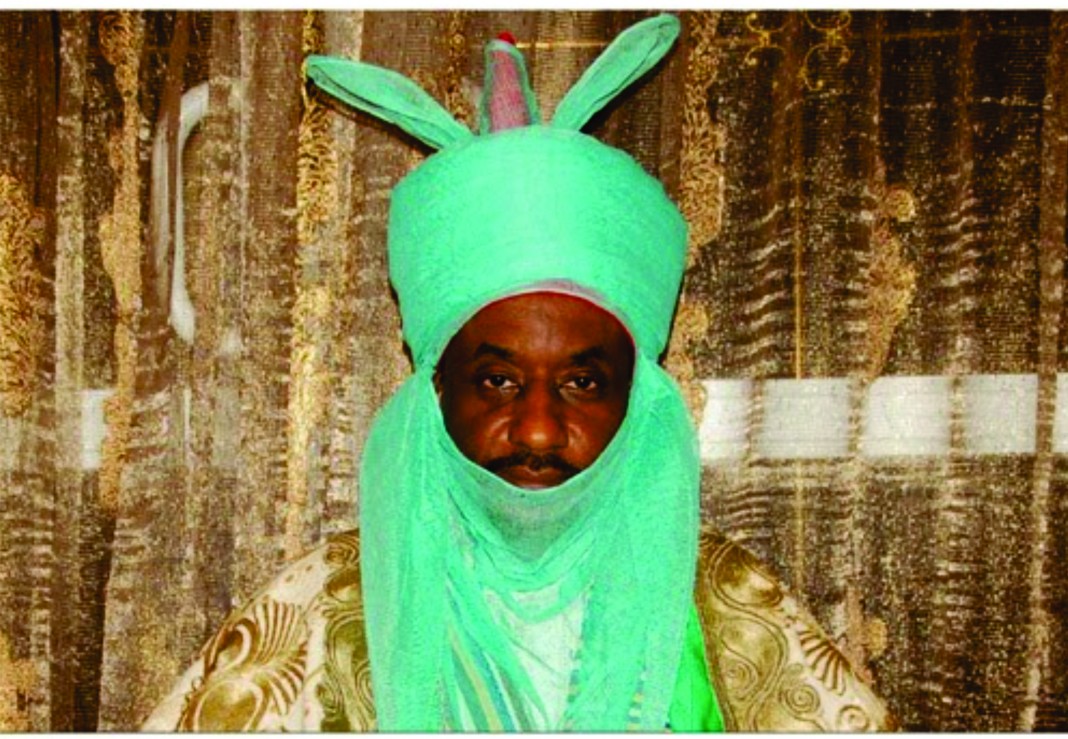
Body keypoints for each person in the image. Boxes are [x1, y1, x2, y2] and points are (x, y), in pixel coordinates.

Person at [144, 15, 892, 732]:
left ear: (640, 398)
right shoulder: (321, 614)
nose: (537, 429)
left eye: (582, 383)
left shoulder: (729, 613)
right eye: (498, 381)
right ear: (435, 389)